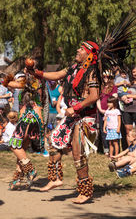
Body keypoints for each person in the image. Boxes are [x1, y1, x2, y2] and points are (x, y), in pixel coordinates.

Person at [28, 41, 100, 204]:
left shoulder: (92, 71)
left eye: (81, 49)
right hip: (73, 115)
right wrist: (36, 73)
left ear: (89, 54)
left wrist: (76, 108)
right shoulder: (74, 68)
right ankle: (55, 179)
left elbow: (94, 95)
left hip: (85, 117)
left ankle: (85, 191)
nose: (77, 50)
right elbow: (57, 75)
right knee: (53, 141)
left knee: (78, 154)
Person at [3, 61, 45, 190]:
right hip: (36, 118)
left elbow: (5, 82)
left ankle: (30, 169)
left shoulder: (25, 83)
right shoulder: (37, 83)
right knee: (21, 149)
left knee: (13, 144)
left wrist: (12, 75)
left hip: (28, 117)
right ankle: (18, 179)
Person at [96, 70, 118, 154]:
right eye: (104, 76)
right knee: (103, 130)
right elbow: (97, 99)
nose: (105, 78)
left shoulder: (113, 87)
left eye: (107, 76)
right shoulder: (100, 87)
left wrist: (108, 111)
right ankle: (106, 149)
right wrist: (101, 110)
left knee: (111, 129)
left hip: (111, 112)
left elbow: (114, 99)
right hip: (101, 112)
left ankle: (113, 149)